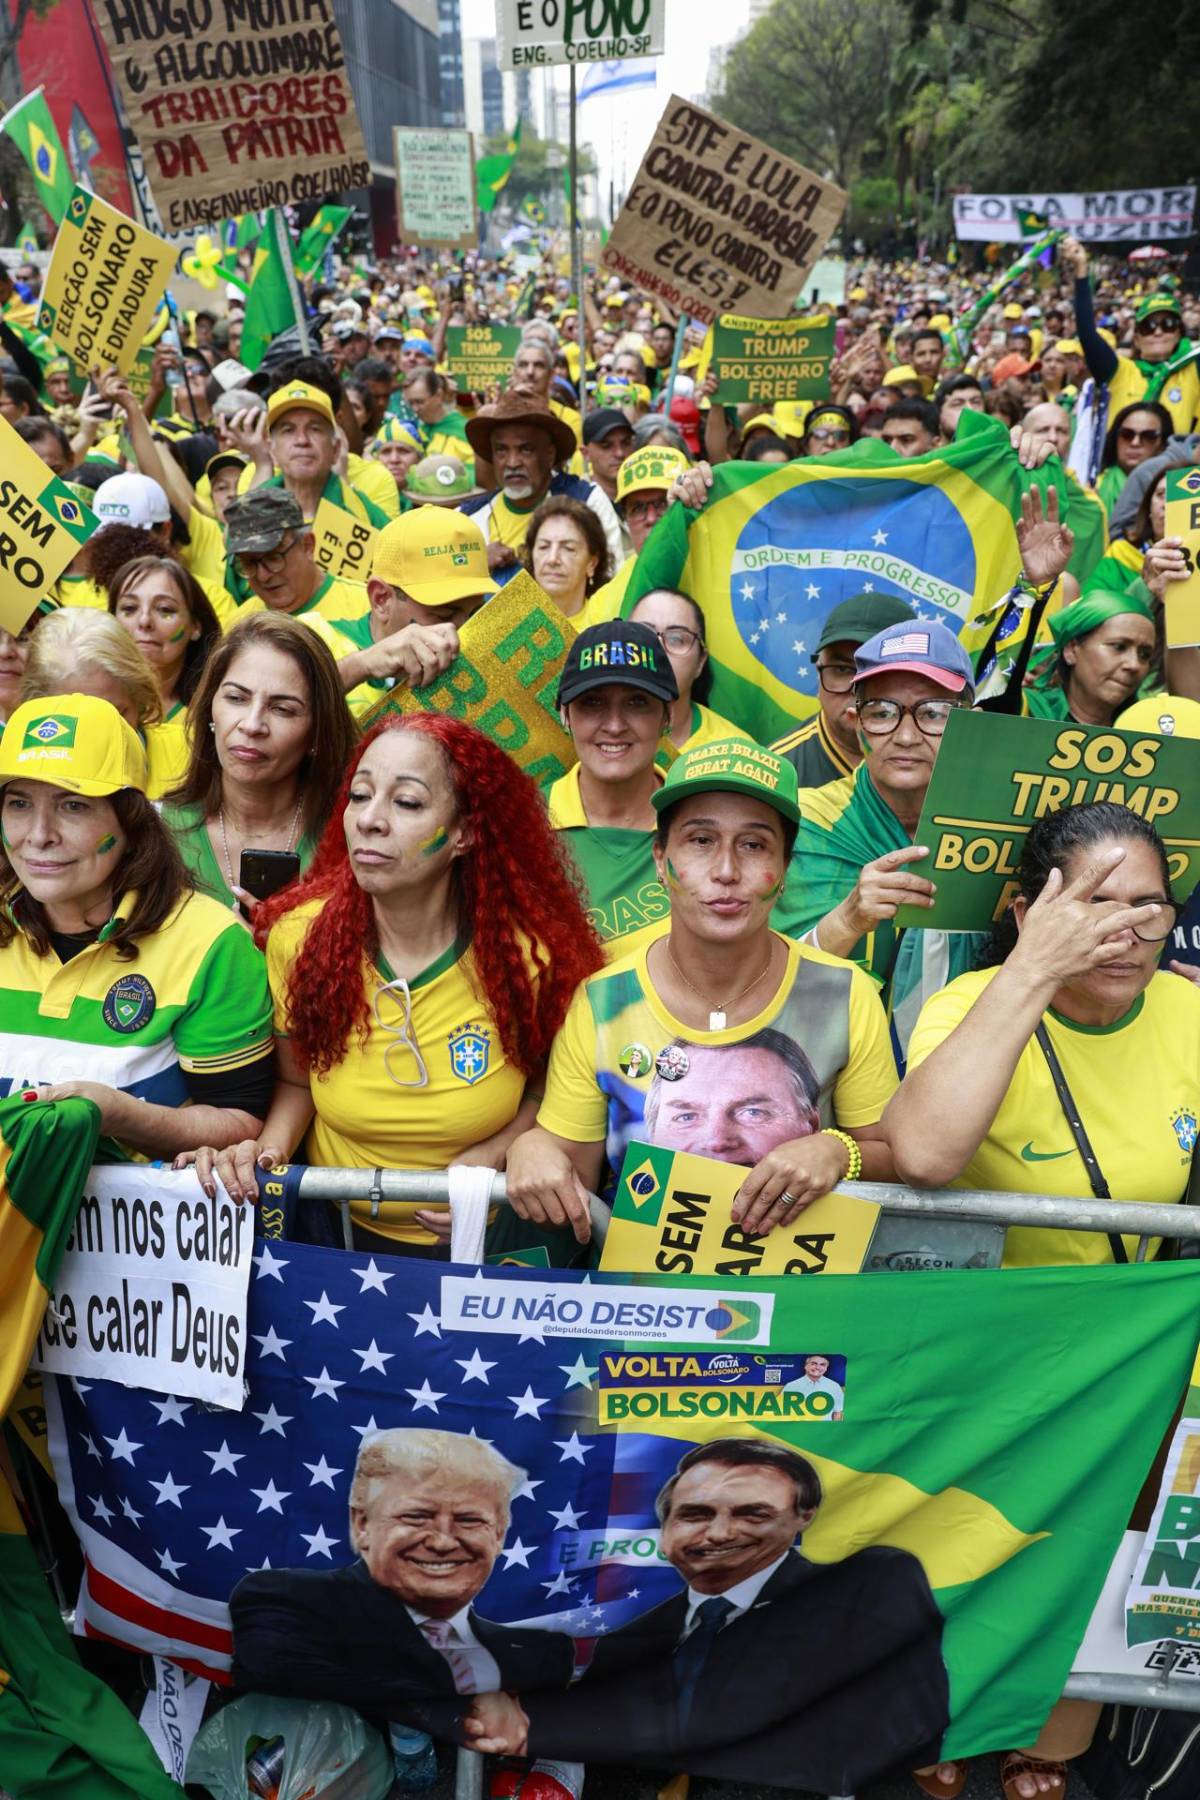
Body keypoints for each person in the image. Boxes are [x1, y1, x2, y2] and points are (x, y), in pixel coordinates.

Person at [885, 801, 1200, 1798]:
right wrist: (1032, 973)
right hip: (998, 1367)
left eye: (1150, 906)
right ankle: (954, 1720)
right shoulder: (973, 1001)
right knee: (978, 1552)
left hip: (1143, 1362)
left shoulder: (1191, 1012)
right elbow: (928, 1152)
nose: (1128, 930)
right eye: (1097, 904)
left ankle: (1051, 1742)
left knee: (1107, 1551)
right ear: (1032, 910)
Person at [194, 715, 602, 1252]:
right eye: (360, 796)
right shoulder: (298, 940)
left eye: (406, 803)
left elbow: (547, 1089)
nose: (370, 820)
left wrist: (496, 1157)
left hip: (490, 1244)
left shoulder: (530, 959)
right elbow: (297, 1083)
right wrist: (264, 1156)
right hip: (329, 1241)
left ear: (465, 832)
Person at [509, 737, 898, 1239]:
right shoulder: (603, 1001)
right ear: (658, 859)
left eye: (755, 845)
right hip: (645, 1302)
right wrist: (530, 1148)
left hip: (799, 1295)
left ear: (783, 871)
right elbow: (574, 1181)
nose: (726, 871)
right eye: (700, 841)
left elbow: (894, 1158)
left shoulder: (845, 993)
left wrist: (836, 1151)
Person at [464, 1439, 949, 1796]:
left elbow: (902, 1719)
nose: (718, 1534)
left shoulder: (869, 1585)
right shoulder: (625, 1639)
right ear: (666, 1528)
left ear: (804, 1517)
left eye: (753, 1514)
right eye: (694, 1514)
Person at [0, 692, 274, 1157]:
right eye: (19, 804)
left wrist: (123, 1116)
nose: (39, 835)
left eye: (74, 806)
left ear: (131, 820)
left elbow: (241, 1120)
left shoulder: (209, 942)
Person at [230, 1429, 574, 1733]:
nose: (442, 1541)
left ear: (498, 1536)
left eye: (470, 1520)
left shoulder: (541, 1651)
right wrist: (469, 1705)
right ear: (362, 1524)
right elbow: (272, 1664)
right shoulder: (282, 1600)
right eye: (416, 1516)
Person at [773, 619, 984, 1063]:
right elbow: (761, 991)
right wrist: (847, 920)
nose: (906, 736)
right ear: (857, 721)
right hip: (829, 1079)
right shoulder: (806, 823)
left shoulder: (1003, 830)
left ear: (972, 722)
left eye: (933, 713)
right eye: (883, 712)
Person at [162, 612, 357, 913]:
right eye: (237, 698)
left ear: (318, 731)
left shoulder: (353, 839)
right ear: (209, 710)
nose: (252, 725)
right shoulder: (157, 834)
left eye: (282, 709)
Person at [546, 622, 676, 954]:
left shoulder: (700, 820)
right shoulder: (519, 823)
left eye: (637, 702)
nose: (615, 725)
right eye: (592, 702)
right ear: (565, 715)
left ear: (667, 716)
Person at [318, 508, 496, 718]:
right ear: (381, 599)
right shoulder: (318, 639)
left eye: (476, 613)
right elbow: (281, 705)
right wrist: (362, 666)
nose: (458, 633)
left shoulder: (489, 657)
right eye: (444, 616)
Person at [462, 393, 621, 582]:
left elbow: (612, 581)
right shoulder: (470, 517)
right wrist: (476, 565)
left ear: (550, 454)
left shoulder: (587, 500)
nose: (512, 463)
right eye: (502, 450)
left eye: (526, 449)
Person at [771, 594, 917, 788]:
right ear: (818, 672)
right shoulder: (777, 776)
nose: (858, 688)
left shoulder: (947, 767)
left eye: (878, 672)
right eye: (842, 669)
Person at [107, 558, 221, 797]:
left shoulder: (216, 715)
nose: (145, 621)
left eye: (165, 610)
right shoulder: (90, 704)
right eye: (129, 608)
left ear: (195, 627)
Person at [1063, 236, 1199, 435]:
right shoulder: (1120, 371)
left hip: (1180, 466)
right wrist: (1081, 270)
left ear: (1179, 333)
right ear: (1136, 338)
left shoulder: (1193, 369)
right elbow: (1087, 334)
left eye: (1168, 325)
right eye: (1148, 326)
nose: (1158, 331)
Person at [628, 589, 741, 753]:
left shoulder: (734, 752)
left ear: (700, 662)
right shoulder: (588, 733)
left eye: (676, 639)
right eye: (643, 634)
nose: (658, 649)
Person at [586, 445, 692, 621]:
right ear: (625, 518)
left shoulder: (721, 567)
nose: (650, 518)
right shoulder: (603, 602)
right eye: (638, 508)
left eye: (662, 503)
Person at [1023, 592, 1155, 725]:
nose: (1134, 665)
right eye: (1119, 647)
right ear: (1071, 650)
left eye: (1145, 655)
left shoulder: (1147, 729)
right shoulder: (1026, 711)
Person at [520, 496, 611, 621]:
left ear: (592, 564)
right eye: (543, 547)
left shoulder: (605, 624)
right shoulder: (506, 620)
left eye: (568, 548)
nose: (552, 559)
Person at [1095, 401, 1171, 518]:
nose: (1135, 443)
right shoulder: (1093, 486)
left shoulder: (1172, 491)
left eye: (1148, 436)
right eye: (1126, 434)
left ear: (1163, 444)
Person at [782, 1352, 845, 1418]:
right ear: (805, 1366)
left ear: (826, 1368)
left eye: (822, 1365)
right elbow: (783, 1413)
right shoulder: (791, 1386)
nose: (818, 1367)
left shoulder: (834, 1386)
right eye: (814, 1364)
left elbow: (837, 1413)